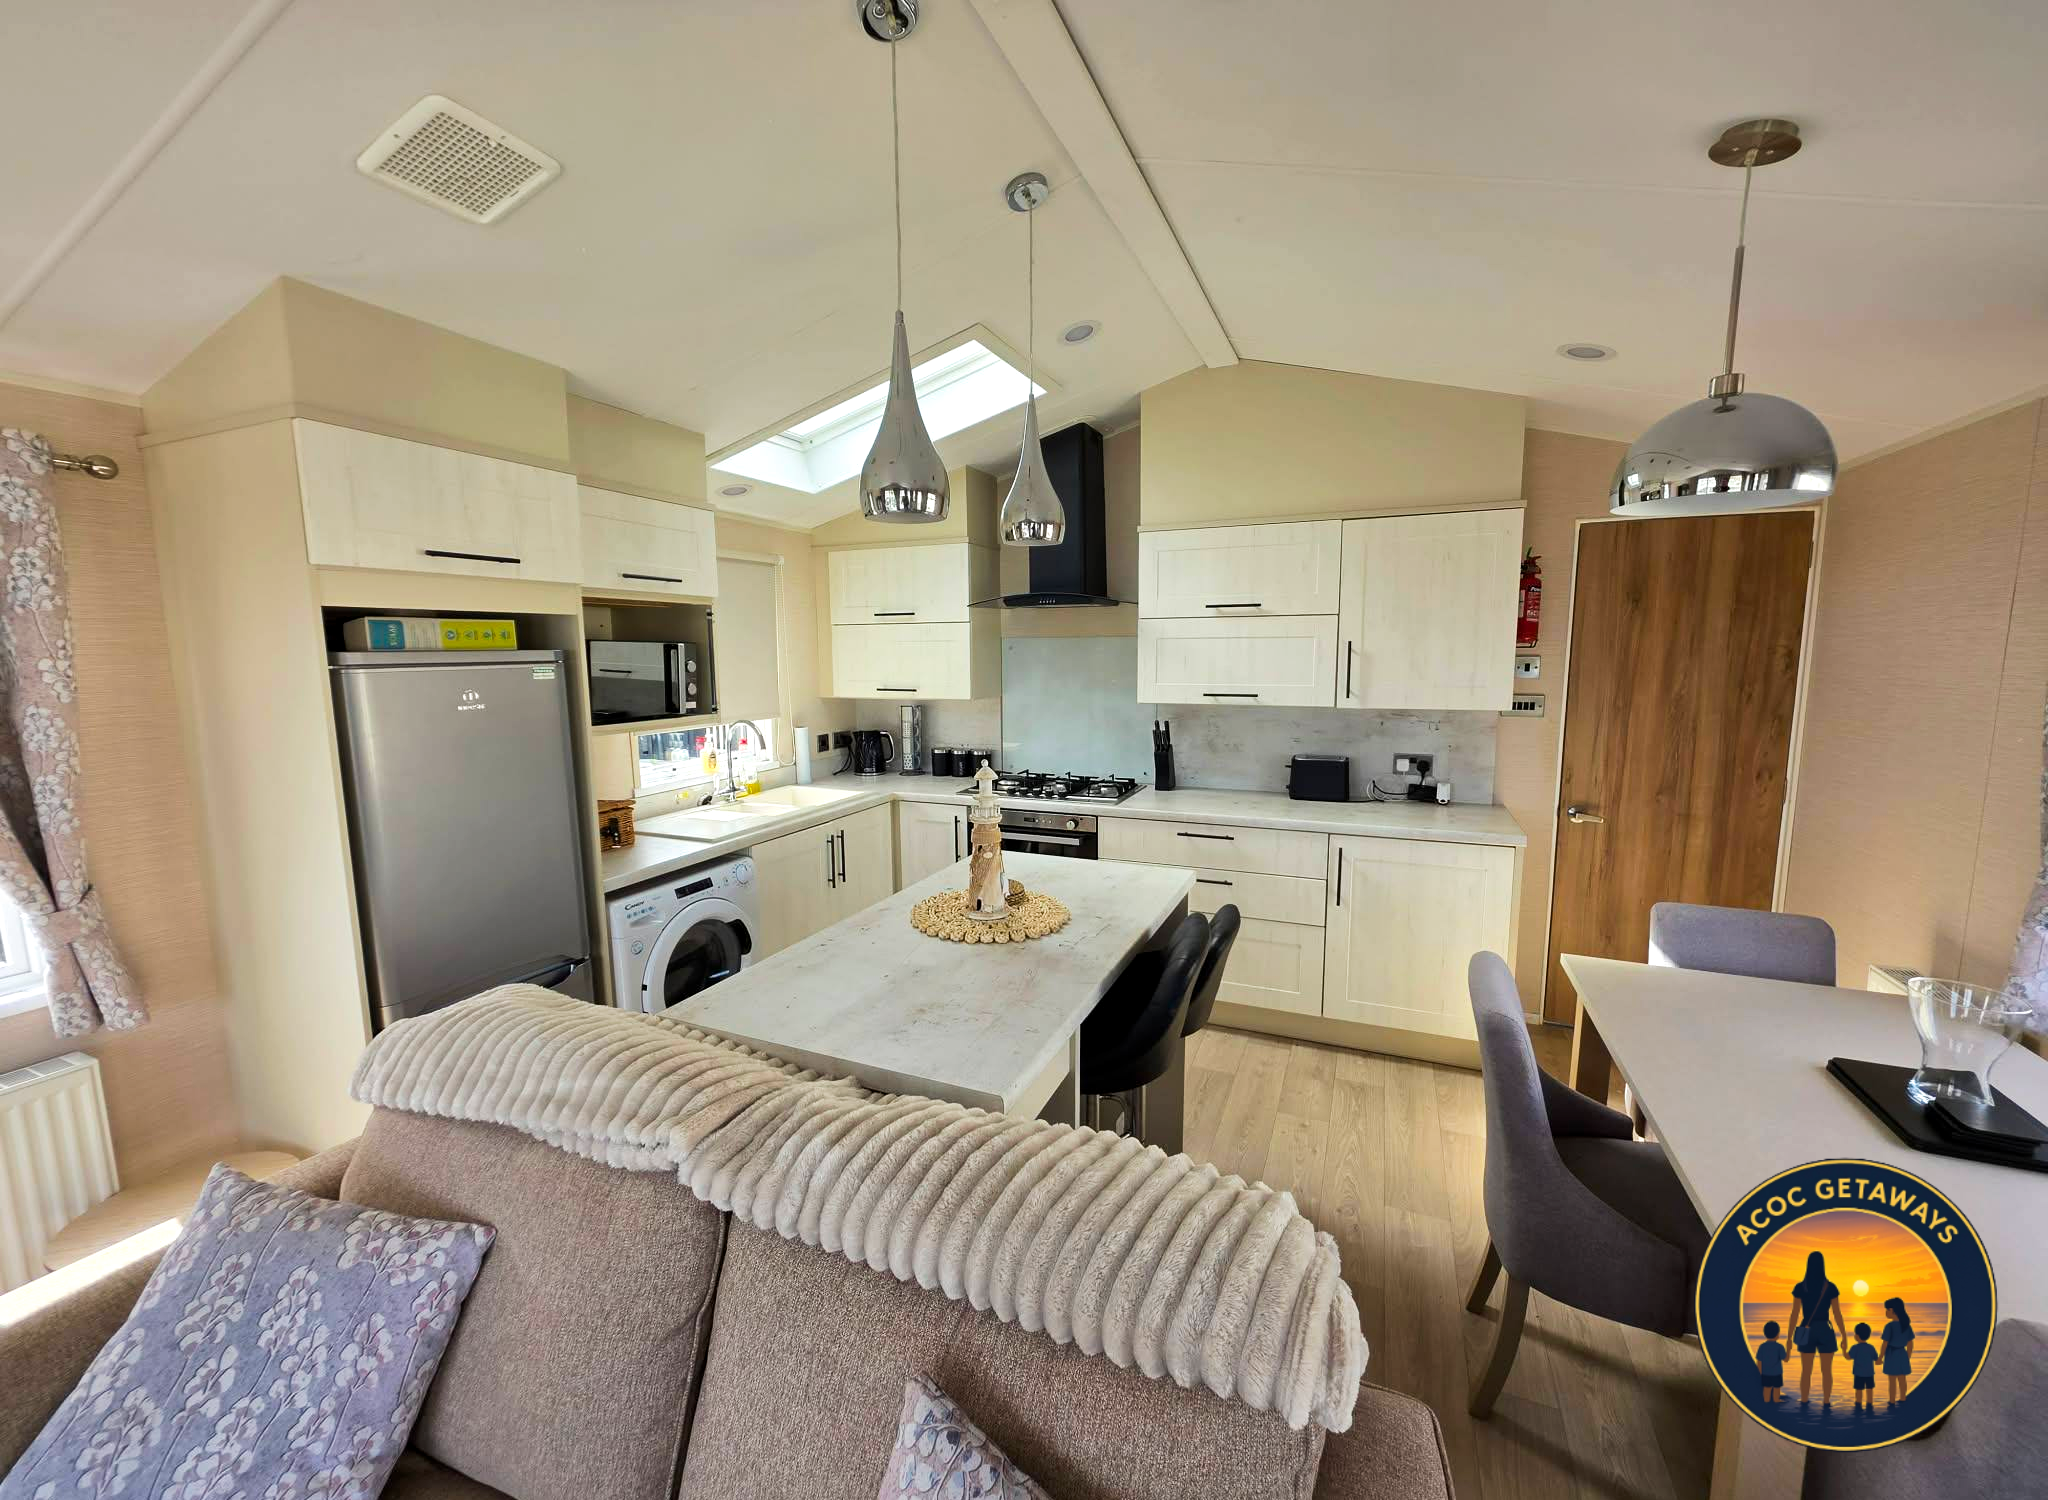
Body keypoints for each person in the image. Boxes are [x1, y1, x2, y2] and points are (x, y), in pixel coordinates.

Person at [1785, 1249, 1848, 1405]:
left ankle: (1804, 1400)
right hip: (1825, 1330)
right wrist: (1844, 1335)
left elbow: (1794, 1314)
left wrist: (1789, 1337)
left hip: (1806, 1329)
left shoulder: (1801, 1287)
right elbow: (1837, 1313)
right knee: (1826, 1371)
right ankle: (1826, 1402)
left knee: (1806, 1371)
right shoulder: (1830, 1287)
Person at [1880, 1296, 1915, 1405]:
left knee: (1892, 1380)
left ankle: (1892, 1401)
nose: (1886, 1312)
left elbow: (1885, 1343)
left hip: (1892, 1354)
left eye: (1887, 1309)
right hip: (1902, 1353)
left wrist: (1880, 1357)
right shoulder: (1906, 1326)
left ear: (1892, 1310)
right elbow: (1910, 1343)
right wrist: (1908, 1356)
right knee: (1902, 1378)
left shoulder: (1889, 1326)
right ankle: (1903, 1398)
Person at [1756, 1320, 1789, 1403]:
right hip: (1777, 1373)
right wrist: (1788, 1349)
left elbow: (1759, 1361)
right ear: (1778, 1334)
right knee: (1777, 1388)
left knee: (1766, 1388)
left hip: (1765, 1373)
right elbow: (1785, 1359)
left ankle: (1766, 1401)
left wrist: (1760, 1372)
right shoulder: (1779, 1347)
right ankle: (1776, 1400)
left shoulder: (1762, 1347)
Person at [1848, 1323, 1878, 1410]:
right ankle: (1869, 1404)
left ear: (1857, 1336)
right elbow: (1876, 1358)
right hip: (1869, 1373)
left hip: (1858, 1373)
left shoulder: (1855, 1348)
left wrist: (1843, 1349)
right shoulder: (1871, 1347)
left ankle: (1858, 1404)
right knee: (1869, 1389)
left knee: (1859, 1390)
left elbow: (1848, 1357)